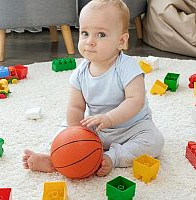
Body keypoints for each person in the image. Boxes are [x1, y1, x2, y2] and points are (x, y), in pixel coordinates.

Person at [23, 0, 164, 177]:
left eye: (101, 35)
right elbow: (76, 107)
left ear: (121, 41)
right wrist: (75, 137)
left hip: (132, 128)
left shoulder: (127, 67)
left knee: (154, 141)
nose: (90, 41)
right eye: (85, 33)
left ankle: (113, 157)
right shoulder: (79, 73)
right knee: (65, 129)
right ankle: (57, 159)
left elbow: (135, 101)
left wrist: (109, 118)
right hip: (96, 127)